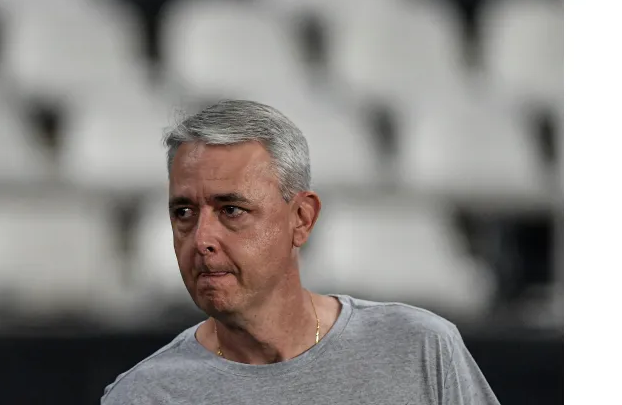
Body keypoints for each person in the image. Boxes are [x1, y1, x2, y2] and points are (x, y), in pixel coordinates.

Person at [101, 100, 500, 404]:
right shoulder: (144, 395)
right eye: (184, 212)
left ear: (302, 219)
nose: (202, 237)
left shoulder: (420, 348)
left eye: (232, 210)